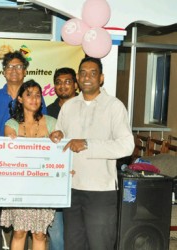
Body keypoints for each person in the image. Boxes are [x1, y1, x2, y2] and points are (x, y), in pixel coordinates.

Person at [50, 57, 134, 250]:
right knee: (73, 244)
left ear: (101, 78)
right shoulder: (68, 107)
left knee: (99, 244)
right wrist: (57, 136)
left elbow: (127, 145)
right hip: (71, 188)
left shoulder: (114, 106)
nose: (87, 77)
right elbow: (62, 140)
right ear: (78, 78)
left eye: (93, 73)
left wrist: (88, 144)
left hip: (101, 190)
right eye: (83, 73)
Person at [0, 50, 47, 250]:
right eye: (10, 67)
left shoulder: (35, 97)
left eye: (19, 66)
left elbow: (41, 126)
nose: (14, 70)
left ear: (25, 71)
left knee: (24, 221)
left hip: (26, 166)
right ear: (4, 72)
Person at [0, 80, 56, 250]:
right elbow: (11, 154)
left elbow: (58, 154)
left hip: (44, 186)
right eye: (29, 94)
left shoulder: (53, 123)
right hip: (19, 186)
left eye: (38, 95)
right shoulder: (11, 125)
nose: (34, 99)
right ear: (20, 99)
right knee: (19, 232)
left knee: (40, 234)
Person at [46, 67, 78, 250]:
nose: (62, 86)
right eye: (58, 82)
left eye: (67, 82)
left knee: (75, 231)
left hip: (79, 178)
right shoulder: (47, 111)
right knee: (56, 232)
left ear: (76, 85)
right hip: (54, 178)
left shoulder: (85, 109)